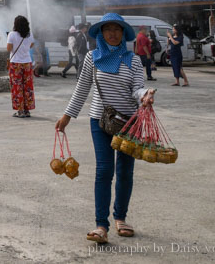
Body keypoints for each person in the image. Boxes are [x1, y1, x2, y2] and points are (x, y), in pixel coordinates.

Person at [56, 13, 155, 244]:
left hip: (129, 122)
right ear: (101, 33)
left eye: (117, 29)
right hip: (99, 121)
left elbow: (137, 89)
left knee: (125, 171)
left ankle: (120, 217)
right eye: (108, 29)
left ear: (123, 34)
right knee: (104, 171)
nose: (112, 33)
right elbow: (81, 89)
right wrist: (67, 116)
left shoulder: (134, 60)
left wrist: (146, 95)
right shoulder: (92, 57)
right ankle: (101, 224)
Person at [7, 15, 35, 118]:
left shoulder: (11, 34)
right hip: (27, 62)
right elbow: (31, 45)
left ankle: (20, 111)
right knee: (27, 87)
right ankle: (27, 110)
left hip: (16, 64)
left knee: (17, 87)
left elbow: (9, 48)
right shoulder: (29, 34)